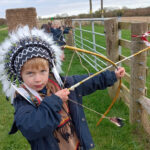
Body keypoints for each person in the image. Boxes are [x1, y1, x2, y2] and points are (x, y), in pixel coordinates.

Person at [0, 26, 125, 150]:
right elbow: (31, 128)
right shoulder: (23, 98)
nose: (38, 79)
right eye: (30, 73)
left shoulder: (60, 83)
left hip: (76, 144)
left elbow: (87, 81)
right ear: (20, 74)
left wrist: (112, 76)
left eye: (43, 71)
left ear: (50, 69)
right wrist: (55, 100)